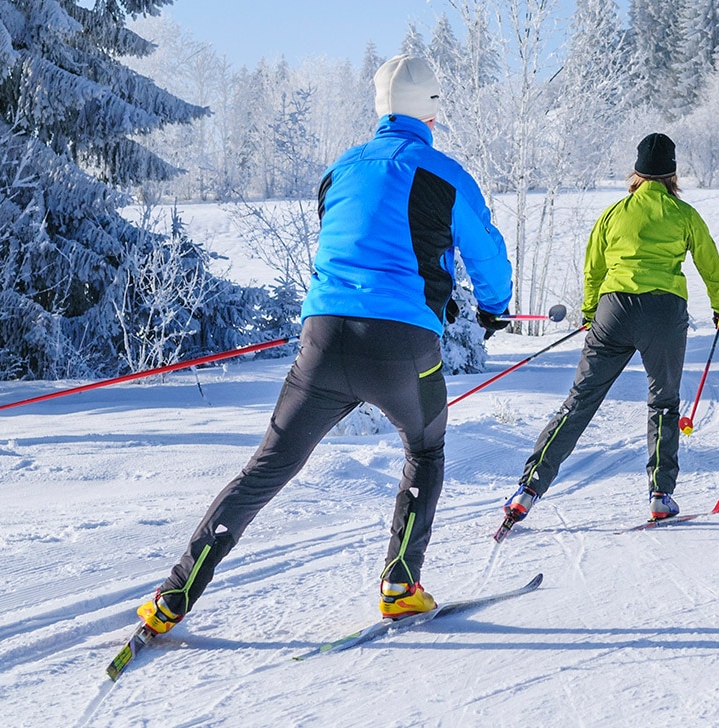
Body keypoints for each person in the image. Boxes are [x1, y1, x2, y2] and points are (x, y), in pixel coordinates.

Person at [136, 53, 512, 633]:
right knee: (426, 449)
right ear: (432, 112)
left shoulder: (339, 170)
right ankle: (400, 584)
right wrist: (492, 308)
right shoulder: (444, 174)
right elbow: (485, 254)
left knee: (267, 467)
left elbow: (351, 238)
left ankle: (174, 593)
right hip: (402, 346)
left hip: (324, 338)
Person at [503, 132, 719, 525]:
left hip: (615, 309)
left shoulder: (615, 213)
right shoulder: (684, 214)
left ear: (637, 172)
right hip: (664, 312)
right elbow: (710, 263)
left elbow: (593, 268)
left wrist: (591, 312)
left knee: (579, 401)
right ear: (672, 174)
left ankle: (528, 489)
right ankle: (660, 495)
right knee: (663, 403)